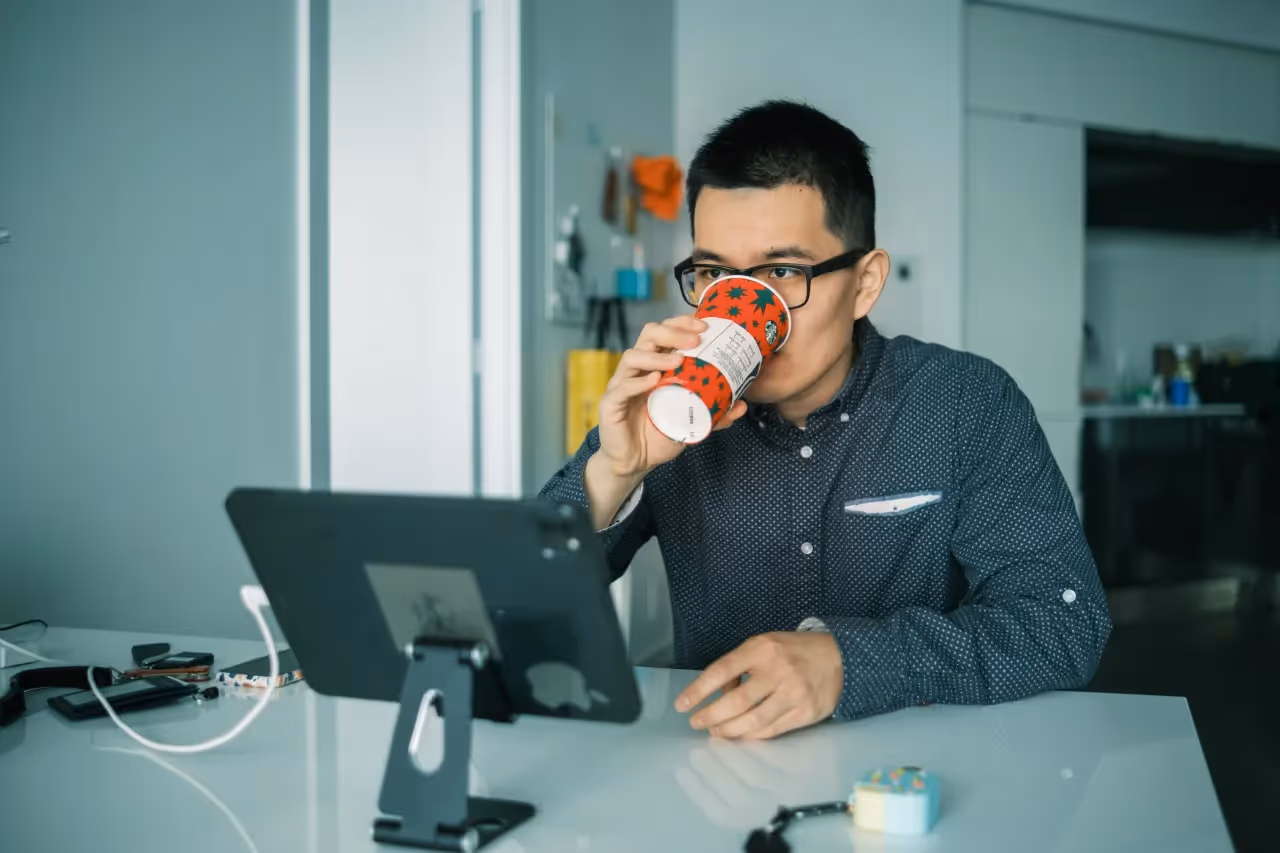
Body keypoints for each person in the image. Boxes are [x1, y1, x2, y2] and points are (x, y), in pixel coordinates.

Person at [540, 100, 1111, 740]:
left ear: (865, 284)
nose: (742, 312)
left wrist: (853, 661)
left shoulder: (963, 403)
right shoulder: (675, 409)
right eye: (714, 274)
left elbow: (1065, 623)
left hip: (919, 778)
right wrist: (617, 469)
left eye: (782, 271)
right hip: (719, 771)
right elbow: (523, 605)